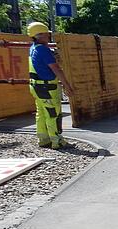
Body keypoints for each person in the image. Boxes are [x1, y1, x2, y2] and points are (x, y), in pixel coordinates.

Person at [27, 21, 74, 149]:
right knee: (53, 113)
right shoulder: (43, 50)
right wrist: (67, 85)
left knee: (41, 113)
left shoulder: (33, 48)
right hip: (47, 87)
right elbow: (56, 69)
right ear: (39, 35)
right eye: (46, 35)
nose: (48, 37)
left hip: (35, 86)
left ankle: (43, 139)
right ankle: (57, 141)